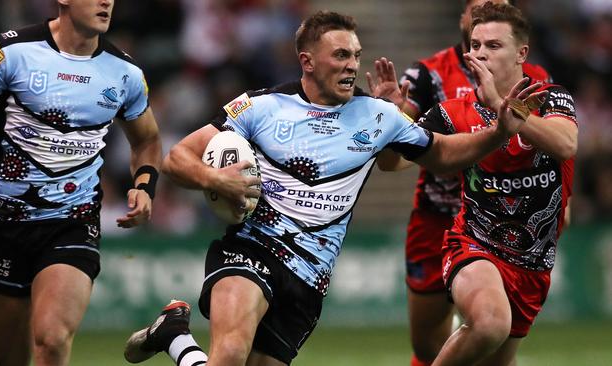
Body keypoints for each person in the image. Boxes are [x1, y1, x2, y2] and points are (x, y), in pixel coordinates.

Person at [123, 10, 541, 366]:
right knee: (230, 354)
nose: (351, 65)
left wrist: (498, 131)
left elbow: (443, 154)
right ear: (307, 61)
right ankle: (178, 335)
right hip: (253, 248)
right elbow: (178, 157)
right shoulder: (260, 106)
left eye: (356, 56)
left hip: (310, 274)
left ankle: (175, 336)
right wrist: (218, 180)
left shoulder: (379, 116)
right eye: (340, 55)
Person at [0, 0, 162, 365]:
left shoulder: (125, 72)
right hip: (6, 221)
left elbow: (147, 139)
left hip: (74, 221)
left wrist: (144, 185)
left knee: (52, 340)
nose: (107, 3)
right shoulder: (12, 51)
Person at [367, 1, 552, 365]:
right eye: (478, 8)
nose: (485, 13)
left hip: (503, 223)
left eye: (497, 7)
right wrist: (386, 118)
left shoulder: (534, 79)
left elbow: (557, 146)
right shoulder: (428, 75)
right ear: (463, 20)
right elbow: (395, 159)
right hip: (438, 217)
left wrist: (565, 203)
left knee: (492, 336)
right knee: (426, 345)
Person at [412, 2, 576, 365]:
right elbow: (402, 160)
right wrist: (390, 115)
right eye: (475, 45)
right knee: (489, 323)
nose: (480, 53)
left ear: (522, 53)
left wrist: (508, 111)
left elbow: (566, 144)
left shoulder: (550, 97)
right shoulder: (452, 111)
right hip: (475, 244)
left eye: (493, 45)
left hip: (533, 264)